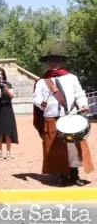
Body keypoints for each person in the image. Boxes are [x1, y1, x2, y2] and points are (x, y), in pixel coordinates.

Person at [33, 51, 94, 186]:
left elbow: (79, 94)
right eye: (50, 61)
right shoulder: (42, 81)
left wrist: (83, 105)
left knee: (72, 147)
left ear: (61, 62)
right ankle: (61, 175)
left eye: (55, 60)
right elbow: (36, 97)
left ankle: (74, 174)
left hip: (70, 116)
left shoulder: (71, 78)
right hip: (52, 117)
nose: (53, 63)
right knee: (56, 149)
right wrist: (40, 103)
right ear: (46, 64)